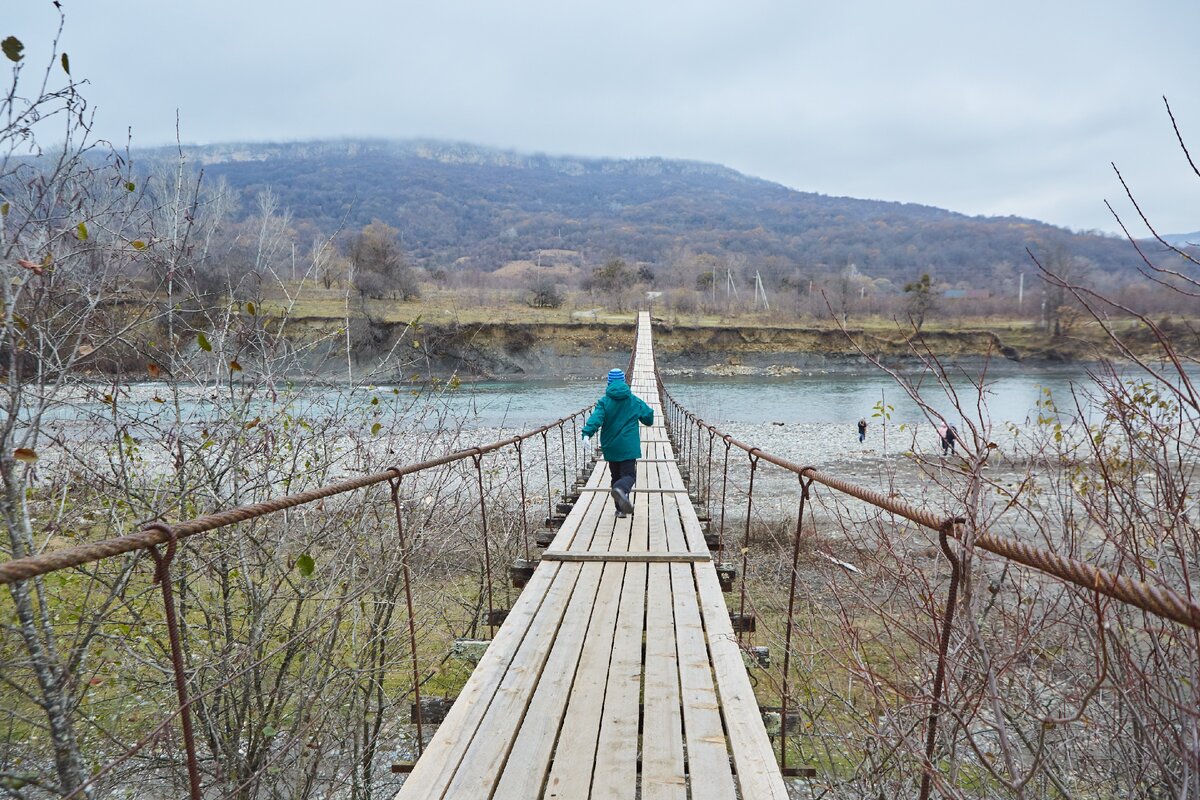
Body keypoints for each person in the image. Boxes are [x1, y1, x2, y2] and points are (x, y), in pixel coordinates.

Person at [581, 368, 655, 518]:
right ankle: (621, 490)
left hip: (611, 447)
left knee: (615, 475)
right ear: (624, 381)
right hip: (629, 447)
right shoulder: (633, 400)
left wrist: (586, 434)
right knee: (628, 476)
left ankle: (620, 509)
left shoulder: (604, 401)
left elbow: (596, 419)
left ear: (608, 382)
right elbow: (649, 418)